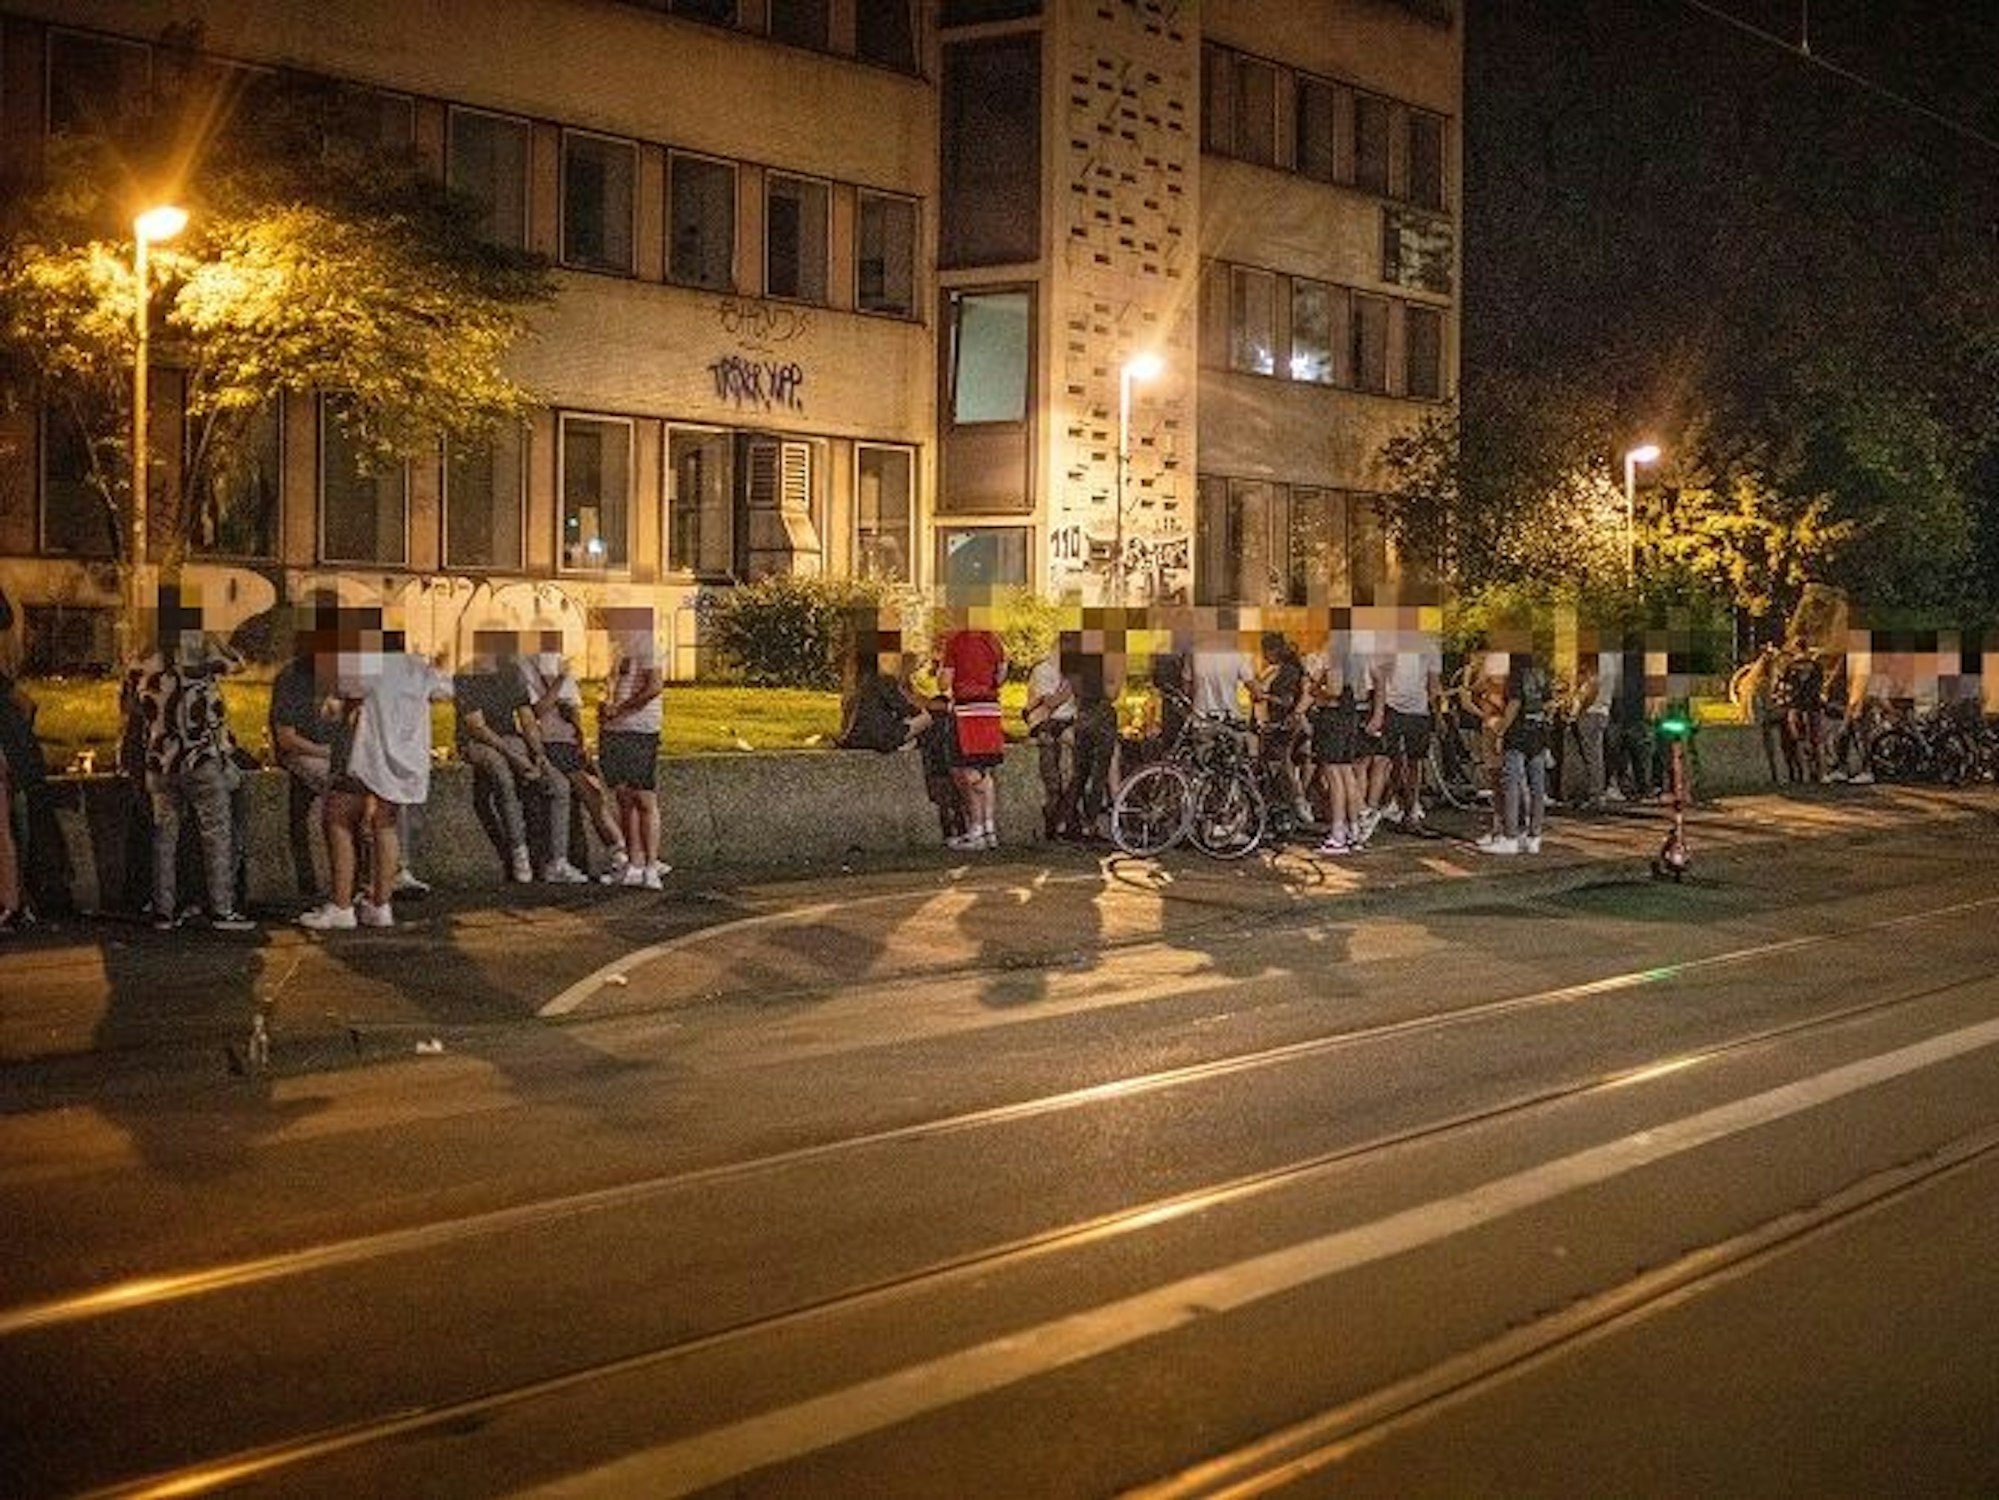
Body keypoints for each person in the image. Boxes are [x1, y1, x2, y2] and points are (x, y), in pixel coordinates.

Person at [299, 630, 454, 930]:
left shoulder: (369, 666)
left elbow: (340, 698)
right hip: (406, 761)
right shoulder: (419, 668)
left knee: (338, 818)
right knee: (386, 826)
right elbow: (445, 690)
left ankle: (341, 906)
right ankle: (380, 905)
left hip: (371, 757)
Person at [131, 593, 255, 931]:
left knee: (164, 838)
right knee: (216, 834)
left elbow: (132, 706)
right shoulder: (198, 656)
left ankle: (163, 910)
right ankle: (221, 908)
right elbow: (239, 663)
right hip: (200, 759)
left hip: (160, 763)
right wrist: (212, 634)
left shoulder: (143, 660)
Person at [457, 629, 581, 884]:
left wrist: (538, 754)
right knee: (502, 775)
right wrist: (516, 758)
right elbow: (477, 726)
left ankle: (557, 861)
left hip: (508, 737)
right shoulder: (466, 674)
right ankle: (518, 851)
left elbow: (526, 718)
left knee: (558, 784)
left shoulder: (511, 672)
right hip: (477, 741)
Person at [520, 631, 628, 881]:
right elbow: (536, 710)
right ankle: (618, 852)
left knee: (596, 794)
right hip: (551, 741)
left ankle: (619, 852)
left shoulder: (557, 666)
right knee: (590, 793)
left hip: (568, 741)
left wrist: (581, 739)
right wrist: (557, 682)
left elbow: (573, 708)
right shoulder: (529, 670)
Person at [598, 607, 666, 888]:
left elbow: (653, 686)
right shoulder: (620, 650)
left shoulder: (647, 645)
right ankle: (634, 863)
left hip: (639, 728)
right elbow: (613, 685)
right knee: (624, 797)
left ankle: (651, 865)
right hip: (616, 729)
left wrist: (621, 708)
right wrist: (606, 708)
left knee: (644, 797)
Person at [938, 613, 1007, 851]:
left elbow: (945, 682)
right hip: (990, 710)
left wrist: (941, 674)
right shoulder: (993, 640)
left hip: (967, 711)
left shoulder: (955, 641)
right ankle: (989, 829)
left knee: (967, 771)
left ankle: (976, 830)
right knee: (984, 770)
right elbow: (1002, 673)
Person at [0, 664, 51, 928]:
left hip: (11, 765)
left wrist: (16, 740)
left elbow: (26, 704)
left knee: (10, 833)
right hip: (16, 763)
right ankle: (18, 901)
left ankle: (14, 902)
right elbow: (27, 705)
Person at [1062, 631, 1120, 842]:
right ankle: (1090, 823)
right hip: (1102, 714)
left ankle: (1065, 821)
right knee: (1099, 773)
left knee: (1079, 773)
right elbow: (1113, 693)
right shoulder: (1110, 655)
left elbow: (1073, 687)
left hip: (1082, 715)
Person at [1256, 631, 1311, 828]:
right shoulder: (1285, 669)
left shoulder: (1286, 672)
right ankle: (1294, 806)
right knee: (1283, 767)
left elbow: (1286, 700)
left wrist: (1264, 696)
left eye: (1264, 651)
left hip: (1283, 725)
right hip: (1284, 724)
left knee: (1282, 767)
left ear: (1273, 650)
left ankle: (1295, 805)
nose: (1263, 655)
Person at [1024, 642, 1077, 839]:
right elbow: (1050, 703)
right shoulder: (1043, 670)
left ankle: (1066, 813)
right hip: (1047, 722)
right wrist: (1073, 684)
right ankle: (1056, 813)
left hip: (1068, 722)